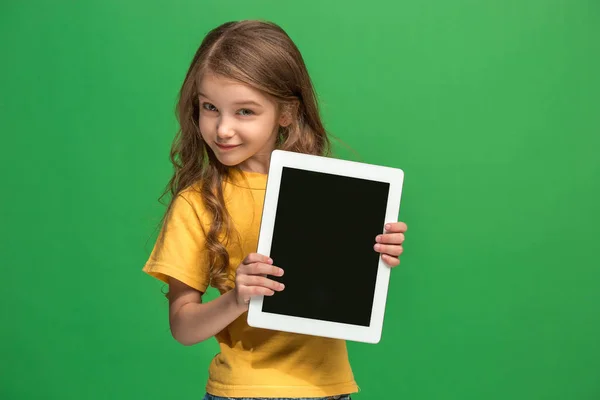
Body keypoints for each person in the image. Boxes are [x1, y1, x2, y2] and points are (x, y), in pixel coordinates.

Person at [143, 19, 408, 400]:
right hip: (242, 391)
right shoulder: (197, 203)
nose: (222, 129)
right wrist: (237, 297)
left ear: (285, 113)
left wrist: (375, 255)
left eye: (245, 112)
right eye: (210, 108)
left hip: (329, 389)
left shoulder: (329, 195)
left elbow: (336, 293)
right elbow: (183, 328)